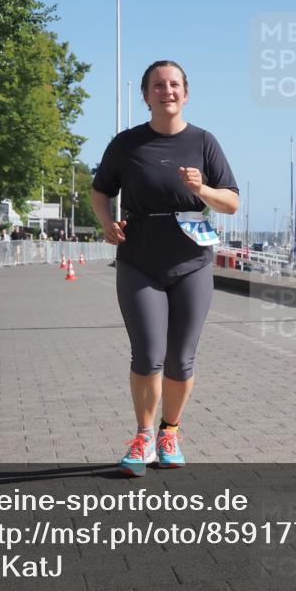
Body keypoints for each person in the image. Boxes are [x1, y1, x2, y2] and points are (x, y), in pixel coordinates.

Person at [91, 60, 238, 476]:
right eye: (158, 85)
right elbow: (100, 192)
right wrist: (106, 223)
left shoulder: (204, 142)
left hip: (191, 261)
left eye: (174, 84)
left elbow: (231, 202)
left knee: (180, 359)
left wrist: (202, 189)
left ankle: (169, 431)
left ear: (185, 93)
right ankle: (143, 437)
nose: (166, 90)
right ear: (146, 95)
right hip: (139, 259)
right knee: (148, 354)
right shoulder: (127, 144)